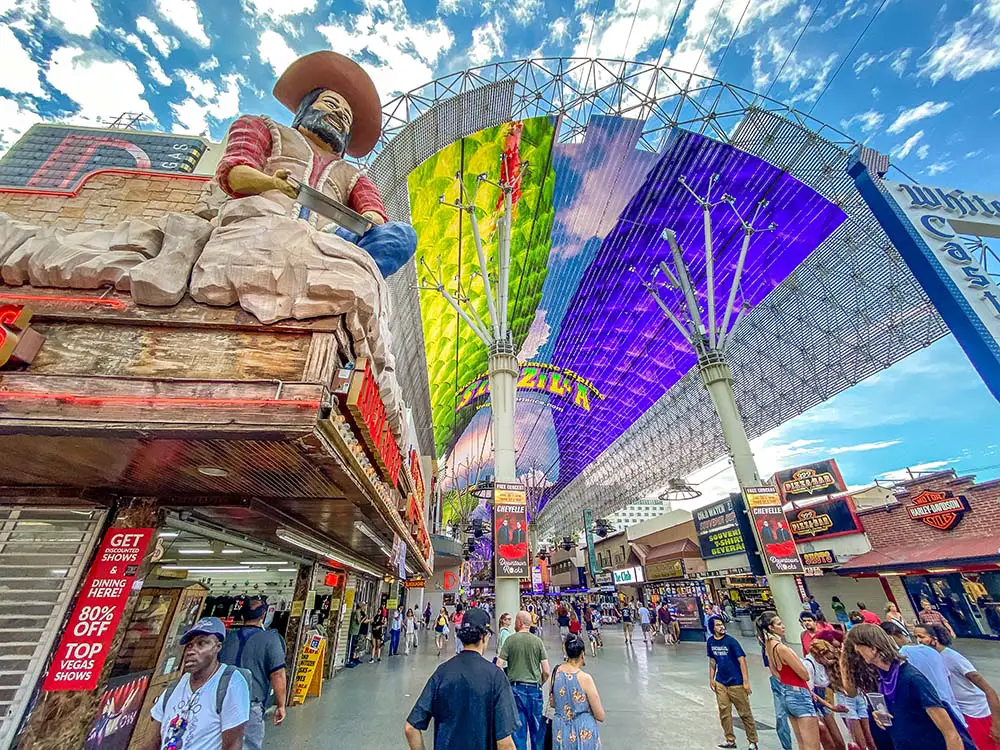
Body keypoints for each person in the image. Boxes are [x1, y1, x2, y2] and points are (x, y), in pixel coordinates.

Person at [842, 623, 976, 750]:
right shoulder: (883, 678)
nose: (855, 652)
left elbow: (950, 733)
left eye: (857, 647)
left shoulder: (910, 678)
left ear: (872, 648)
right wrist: (880, 715)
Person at [405, 607, 518, 750]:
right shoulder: (496, 677)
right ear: (484, 636)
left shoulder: (442, 672)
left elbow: (411, 728)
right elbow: (505, 743)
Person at [144, 617, 250, 750]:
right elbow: (154, 739)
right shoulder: (174, 687)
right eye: (189, 645)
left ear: (217, 647)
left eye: (201, 643)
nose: (191, 651)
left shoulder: (230, 682)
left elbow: (233, 744)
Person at [218, 598, 287, 750]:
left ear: (242, 617)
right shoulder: (271, 639)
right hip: (250, 703)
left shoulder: (227, 638)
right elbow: (278, 674)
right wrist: (281, 705)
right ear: (263, 616)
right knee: (249, 745)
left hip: (219, 702)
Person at [918, 623, 1000, 749]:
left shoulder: (953, 658)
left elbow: (988, 689)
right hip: (959, 713)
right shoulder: (931, 659)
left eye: (921, 637)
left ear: (934, 638)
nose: (918, 641)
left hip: (976, 713)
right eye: (916, 637)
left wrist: (996, 723)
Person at [758, 610, 821, 750]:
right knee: (813, 745)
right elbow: (805, 674)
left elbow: (774, 672)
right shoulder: (782, 649)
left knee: (802, 743)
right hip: (799, 693)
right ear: (771, 627)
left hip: (786, 692)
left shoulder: (768, 646)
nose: (783, 626)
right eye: (779, 624)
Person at [881, 621, 963, 724]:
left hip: (933, 716)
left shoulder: (902, 656)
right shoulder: (931, 651)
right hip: (952, 710)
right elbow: (947, 678)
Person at [497, 610, 551, 750]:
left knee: (518, 731)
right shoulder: (537, 642)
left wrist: (506, 684)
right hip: (534, 690)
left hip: (515, 690)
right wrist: (539, 682)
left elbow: (498, 666)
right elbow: (546, 670)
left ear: (519, 623)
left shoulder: (510, 640)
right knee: (537, 730)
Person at [708, 616, 759, 750]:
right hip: (721, 682)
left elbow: (742, 660)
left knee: (744, 713)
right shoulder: (711, 642)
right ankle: (730, 740)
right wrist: (711, 678)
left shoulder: (731, 641)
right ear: (712, 628)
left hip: (736, 682)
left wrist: (746, 682)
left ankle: (753, 741)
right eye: (718, 625)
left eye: (722, 624)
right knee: (724, 711)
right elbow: (712, 661)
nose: (721, 627)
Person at [550, 634, 605, 749]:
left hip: (560, 730)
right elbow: (600, 715)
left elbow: (553, 703)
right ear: (582, 654)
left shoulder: (556, 672)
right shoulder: (585, 678)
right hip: (582, 730)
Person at [805, 639, 848, 750]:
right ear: (819, 656)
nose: (830, 661)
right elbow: (810, 693)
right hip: (813, 702)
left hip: (823, 699)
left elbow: (828, 682)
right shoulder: (809, 665)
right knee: (828, 742)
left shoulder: (824, 665)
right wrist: (832, 707)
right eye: (828, 658)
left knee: (839, 741)